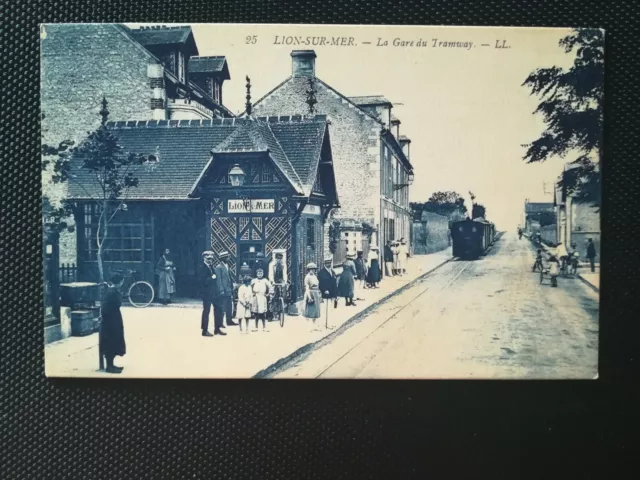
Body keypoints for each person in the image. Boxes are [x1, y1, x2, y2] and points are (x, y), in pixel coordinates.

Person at [100, 273, 127, 373]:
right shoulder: (111, 292)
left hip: (114, 319)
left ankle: (111, 364)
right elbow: (105, 308)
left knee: (115, 341)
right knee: (111, 342)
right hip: (111, 321)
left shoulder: (113, 291)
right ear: (120, 282)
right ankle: (109, 366)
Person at [199, 251, 223, 337]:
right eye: (208, 258)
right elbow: (202, 281)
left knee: (218, 309)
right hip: (206, 293)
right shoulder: (202, 267)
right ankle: (204, 330)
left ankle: (217, 329)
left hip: (214, 292)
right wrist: (211, 278)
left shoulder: (211, 266)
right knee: (206, 311)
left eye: (211, 259)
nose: (210, 260)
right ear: (204, 258)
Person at [214, 251, 238, 329]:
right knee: (222, 307)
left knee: (229, 306)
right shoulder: (219, 267)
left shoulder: (227, 266)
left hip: (228, 289)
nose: (228, 258)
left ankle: (229, 321)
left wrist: (232, 286)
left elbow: (229, 278)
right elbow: (219, 280)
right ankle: (220, 323)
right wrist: (221, 290)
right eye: (227, 257)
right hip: (223, 290)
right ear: (223, 258)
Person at [303, 263, 322, 331]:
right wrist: (309, 297)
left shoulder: (314, 276)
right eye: (311, 269)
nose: (312, 271)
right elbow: (307, 288)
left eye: (314, 269)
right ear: (308, 270)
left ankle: (315, 325)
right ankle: (309, 327)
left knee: (316, 310)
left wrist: (319, 294)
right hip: (311, 293)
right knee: (310, 310)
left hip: (316, 293)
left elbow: (318, 285)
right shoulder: (307, 277)